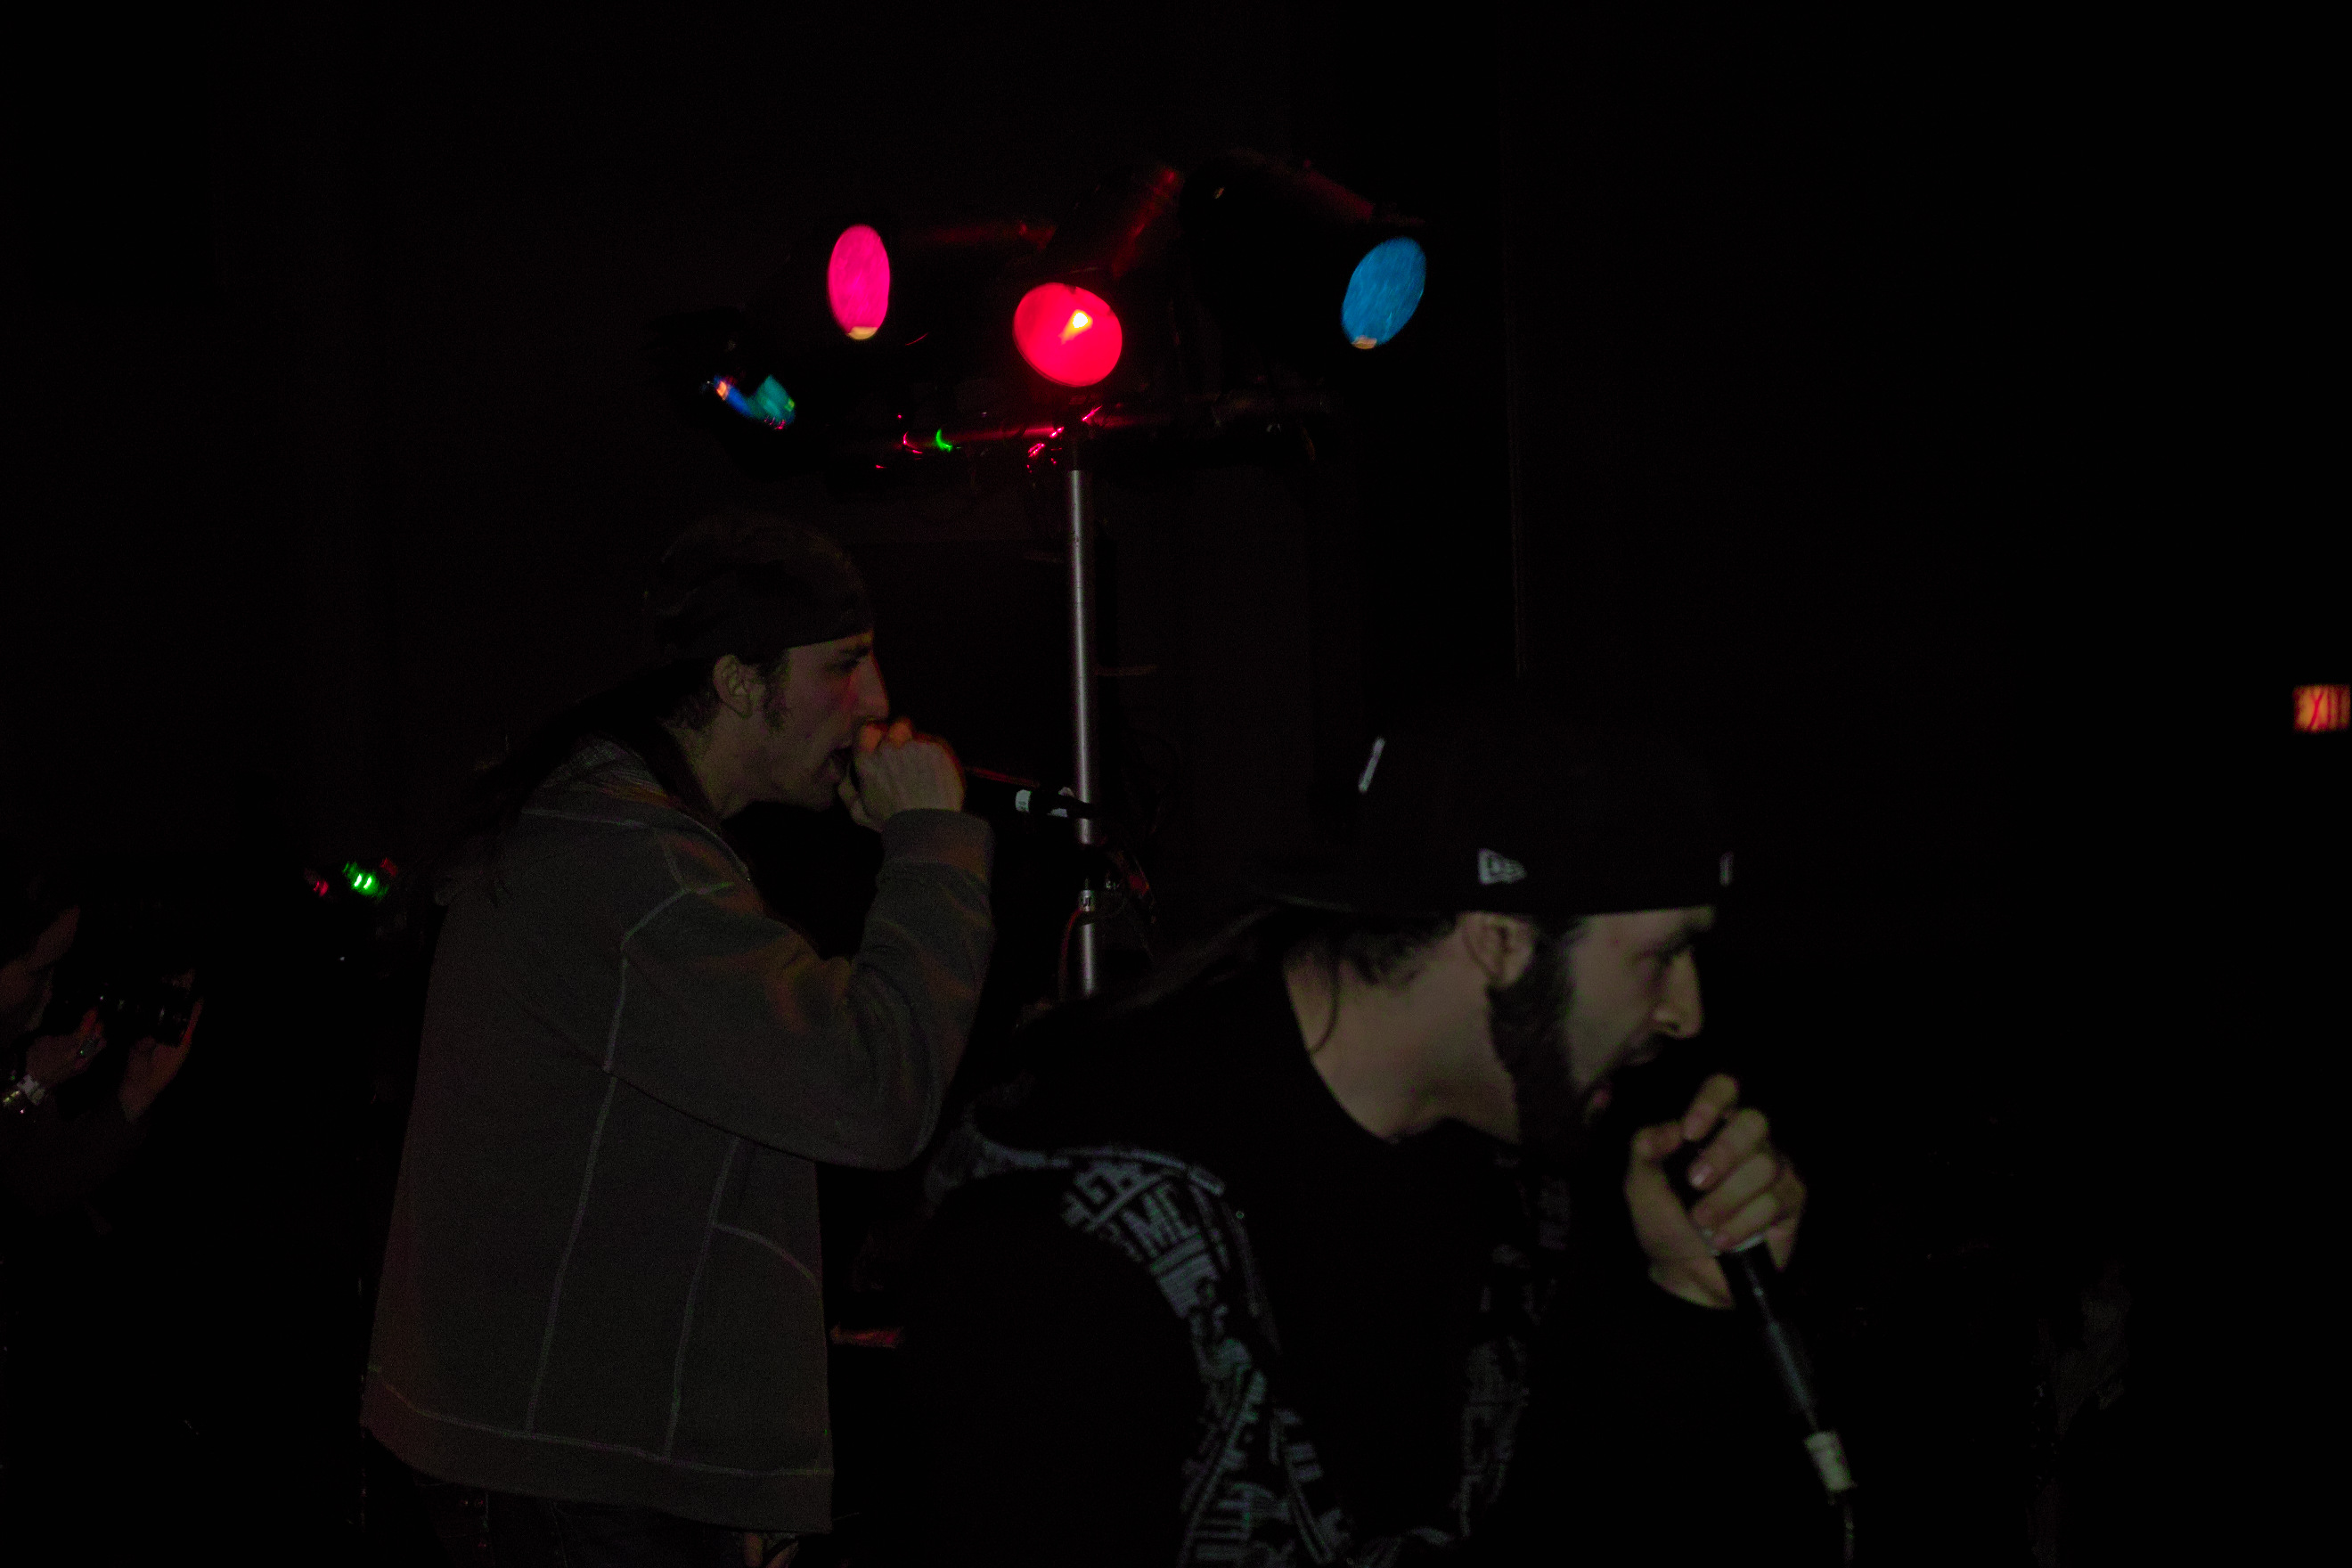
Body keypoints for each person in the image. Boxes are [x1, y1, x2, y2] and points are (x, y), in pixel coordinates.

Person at [902, 693, 1822, 1563]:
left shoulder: (1518, 1153)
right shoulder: (1082, 1217)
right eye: (1662, 956)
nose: (1686, 1012)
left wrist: (1684, 1306)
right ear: (1501, 939)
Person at [362, 509, 995, 1566]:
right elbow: (872, 1088)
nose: (877, 701)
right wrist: (933, 846)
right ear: (742, 682)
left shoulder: (612, 832)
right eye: (843, 664)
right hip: (577, 1481)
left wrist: (735, 1462)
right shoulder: (630, 867)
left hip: (574, 1460)